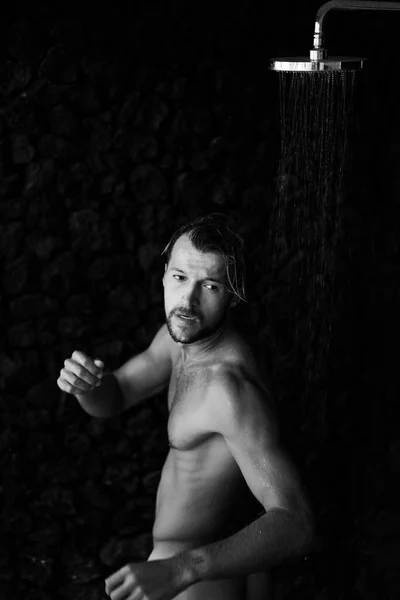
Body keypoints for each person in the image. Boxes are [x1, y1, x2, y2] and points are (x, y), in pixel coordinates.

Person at [57, 213, 314, 600]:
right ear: (164, 275)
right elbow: (118, 395)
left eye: (209, 285)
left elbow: (298, 523)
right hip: (173, 569)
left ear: (233, 294)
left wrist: (183, 569)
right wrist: (87, 387)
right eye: (180, 278)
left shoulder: (228, 390)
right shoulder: (176, 339)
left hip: (199, 580)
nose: (187, 300)